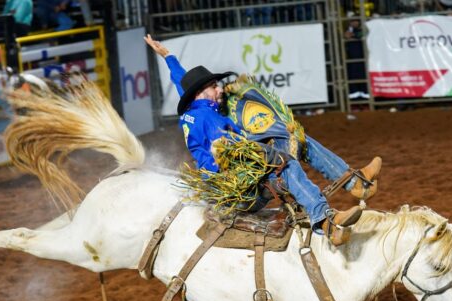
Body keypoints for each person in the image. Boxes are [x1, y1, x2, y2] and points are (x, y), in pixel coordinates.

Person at [144, 35, 383, 246]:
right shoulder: (210, 118)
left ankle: (355, 183)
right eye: (214, 86)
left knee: (296, 139)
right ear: (201, 93)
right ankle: (324, 221)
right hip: (240, 191)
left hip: (231, 183)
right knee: (286, 165)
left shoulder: (193, 111)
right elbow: (231, 150)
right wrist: (271, 155)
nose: (220, 89)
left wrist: (168, 57)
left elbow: (181, 81)